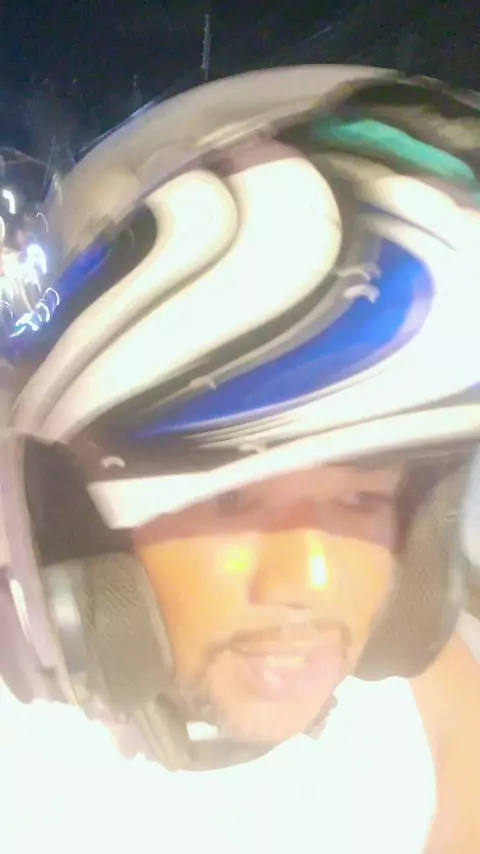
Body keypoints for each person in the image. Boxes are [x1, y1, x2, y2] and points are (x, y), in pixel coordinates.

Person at [1, 64, 480, 854]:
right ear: (72, 518)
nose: (309, 584)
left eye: (361, 500)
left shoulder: (426, 723)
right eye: (231, 502)